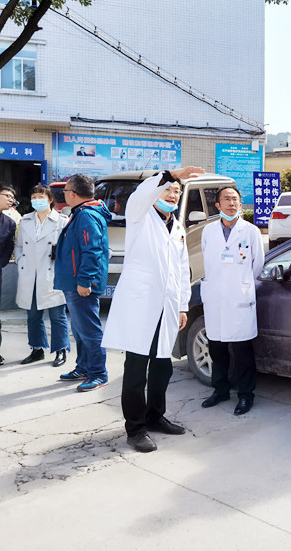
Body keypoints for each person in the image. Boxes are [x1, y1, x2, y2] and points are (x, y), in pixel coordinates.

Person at [102, 167, 204, 452]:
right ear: (156, 191)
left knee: (162, 367)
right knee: (136, 370)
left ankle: (155, 416)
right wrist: (171, 174)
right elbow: (140, 195)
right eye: (168, 189)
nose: (172, 195)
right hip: (141, 305)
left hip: (167, 307)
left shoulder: (178, 228)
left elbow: (182, 270)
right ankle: (135, 429)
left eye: (177, 192)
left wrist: (182, 305)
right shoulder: (140, 215)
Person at [200, 185, 265, 416]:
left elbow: (257, 264)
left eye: (235, 199)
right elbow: (207, 260)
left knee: (242, 351)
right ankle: (220, 390)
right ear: (218, 205)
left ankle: (246, 395)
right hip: (215, 297)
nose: (231, 203)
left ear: (240, 203)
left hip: (239, 297)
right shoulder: (208, 231)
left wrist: (241, 283)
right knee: (216, 349)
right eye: (226, 199)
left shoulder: (251, 231)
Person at [54, 174, 112, 391]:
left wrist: (85, 280)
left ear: (73, 194)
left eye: (65, 191)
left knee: (89, 330)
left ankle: (98, 373)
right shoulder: (81, 213)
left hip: (82, 284)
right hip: (75, 282)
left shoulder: (86, 215)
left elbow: (92, 250)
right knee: (80, 330)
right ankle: (84, 367)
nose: (64, 194)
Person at [15, 185, 70, 366]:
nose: (37, 200)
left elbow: (67, 249)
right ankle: (37, 349)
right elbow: (19, 245)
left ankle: (60, 350)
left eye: (41, 197)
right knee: (33, 316)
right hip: (29, 274)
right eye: (34, 197)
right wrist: (20, 262)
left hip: (52, 273)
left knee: (57, 316)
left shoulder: (61, 221)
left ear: (50, 199)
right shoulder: (25, 220)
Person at [0, 184, 17, 366]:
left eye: (13, 197)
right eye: (7, 196)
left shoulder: (9, 223)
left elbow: (8, 247)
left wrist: (0, 264)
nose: (11, 199)